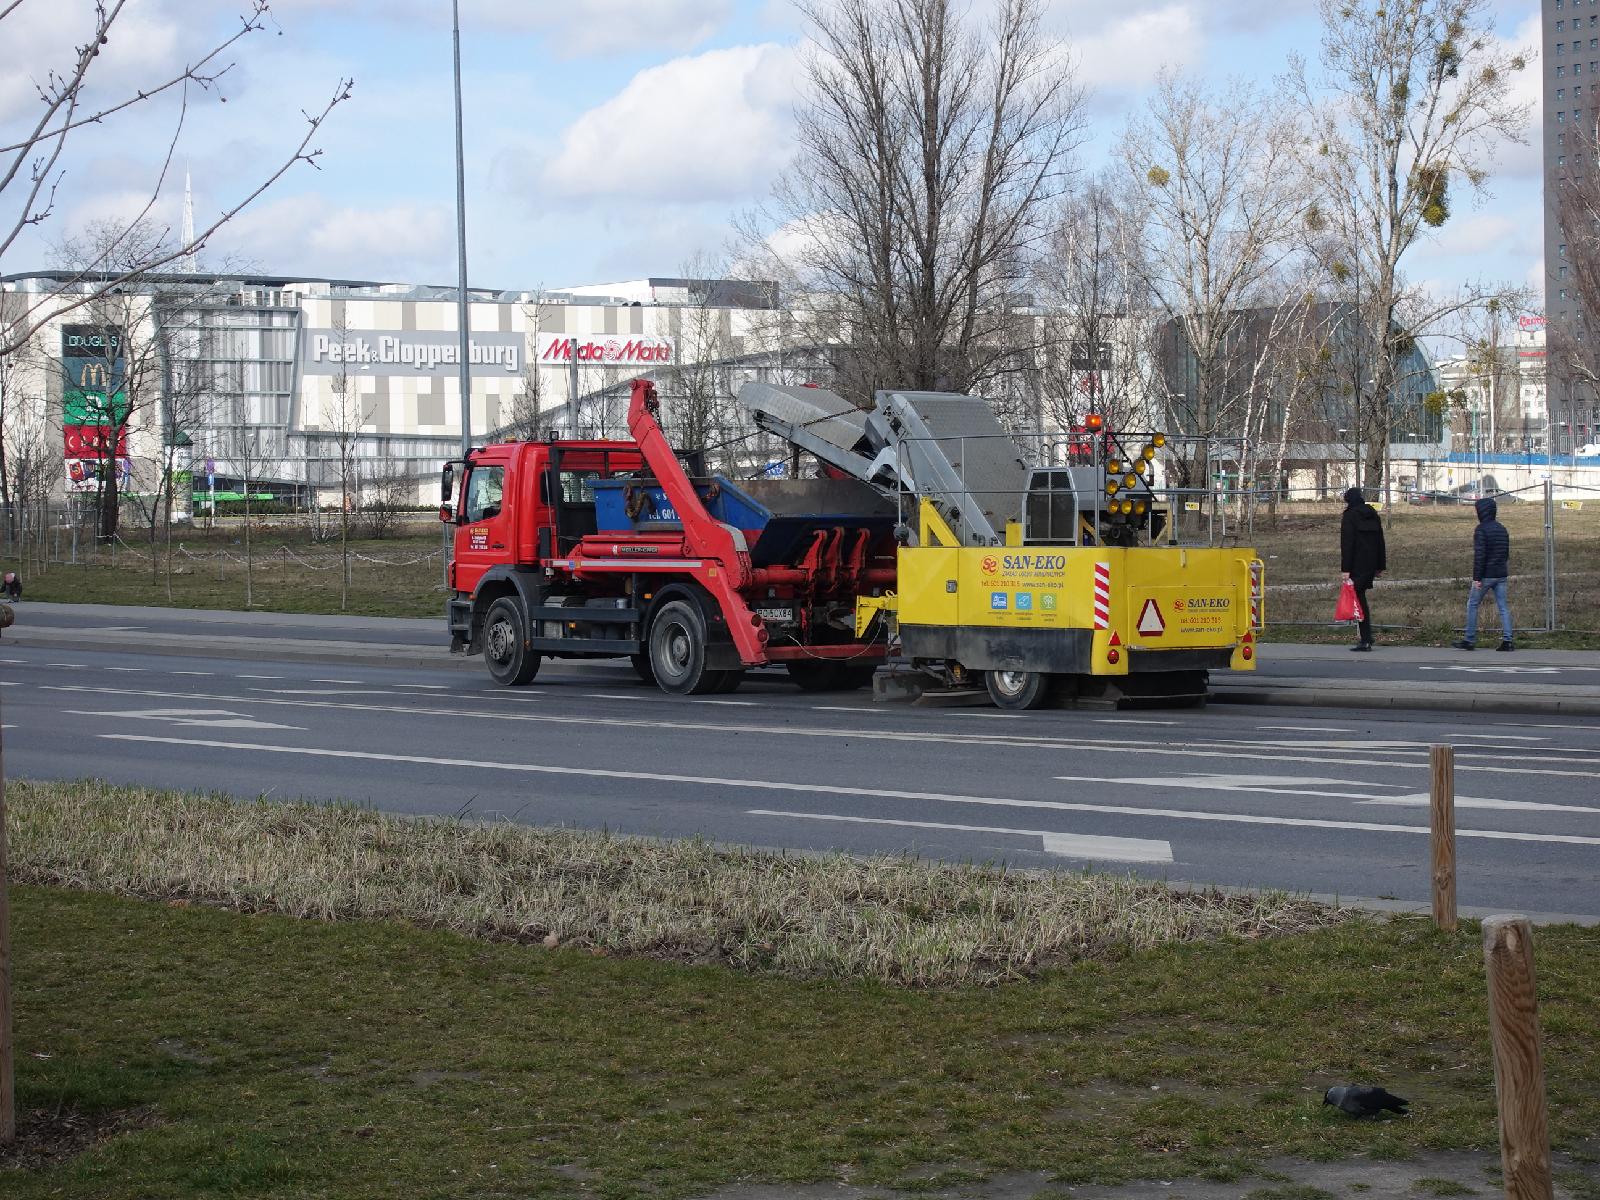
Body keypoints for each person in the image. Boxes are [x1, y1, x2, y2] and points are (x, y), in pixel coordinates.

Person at [1452, 496, 1513, 652]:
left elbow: (1480, 555)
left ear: (1481, 512)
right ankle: (1508, 641)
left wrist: (1477, 578)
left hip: (1486, 574)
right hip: (1501, 573)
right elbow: (1506, 553)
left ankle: (1469, 639)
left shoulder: (1481, 530)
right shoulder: (1502, 528)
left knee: (1472, 604)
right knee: (1503, 607)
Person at [1340, 486, 1386, 652]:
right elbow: (1380, 540)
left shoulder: (1349, 516)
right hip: (1372, 563)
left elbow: (1347, 544)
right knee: (1360, 598)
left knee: (1359, 600)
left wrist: (1345, 569)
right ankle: (1366, 637)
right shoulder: (1373, 514)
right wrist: (1380, 565)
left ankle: (1366, 639)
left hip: (1357, 565)